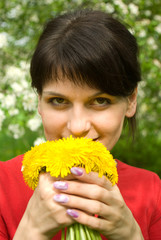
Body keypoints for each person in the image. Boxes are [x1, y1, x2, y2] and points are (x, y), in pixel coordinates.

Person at [0, 8, 161, 240]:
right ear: (39, 102)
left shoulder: (151, 190)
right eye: (58, 101)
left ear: (131, 101)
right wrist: (30, 231)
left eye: (100, 101)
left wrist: (133, 235)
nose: (77, 127)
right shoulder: (3, 185)